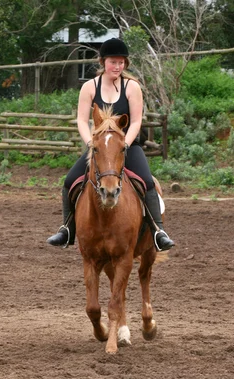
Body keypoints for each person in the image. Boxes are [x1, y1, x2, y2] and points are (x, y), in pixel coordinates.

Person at [46, 37, 175, 251]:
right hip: (98, 148)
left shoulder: (132, 87)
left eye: (121, 62)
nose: (117, 66)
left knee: (147, 182)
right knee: (70, 181)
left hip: (127, 146)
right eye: (113, 62)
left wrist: (125, 143)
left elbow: (135, 121)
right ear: (102, 62)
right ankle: (66, 229)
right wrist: (90, 142)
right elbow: (81, 119)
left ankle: (158, 231)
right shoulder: (89, 87)